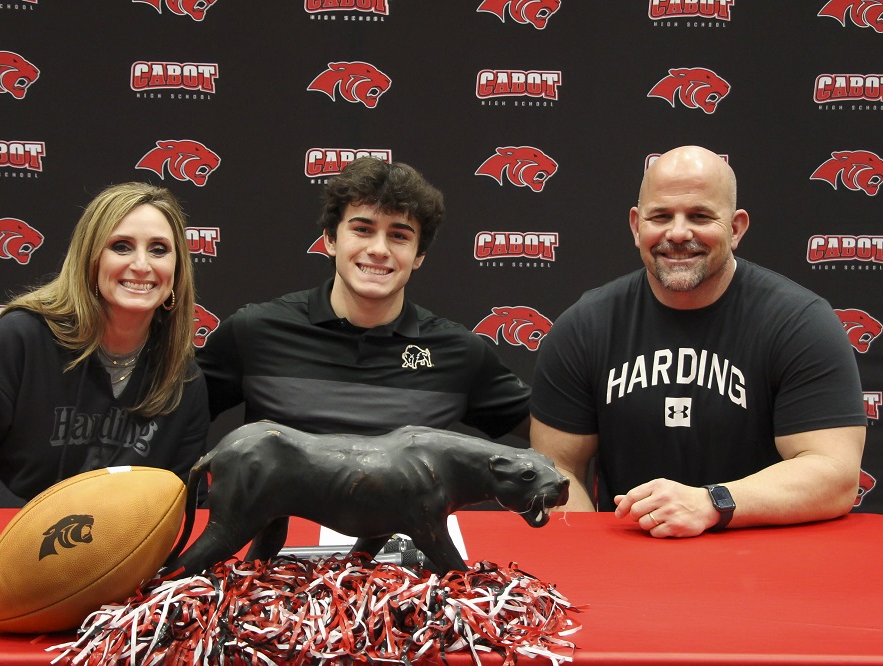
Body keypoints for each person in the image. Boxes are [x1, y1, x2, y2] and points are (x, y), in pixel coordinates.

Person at [530, 145, 866, 536]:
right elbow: (555, 472)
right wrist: (596, 557)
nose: (677, 233)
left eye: (700, 216)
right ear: (637, 226)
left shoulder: (798, 322)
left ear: (736, 228)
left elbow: (835, 474)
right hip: (631, 561)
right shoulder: (585, 327)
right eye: (660, 216)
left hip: (764, 561)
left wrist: (712, 503)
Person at [0, 183, 210, 508]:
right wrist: (42, 537)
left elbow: (185, 506)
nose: (141, 264)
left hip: (106, 556)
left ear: (177, 269)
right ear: (89, 259)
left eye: (159, 249)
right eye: (121, 246)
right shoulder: (21, 338)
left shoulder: (183, 380)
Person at [198, 157, 530, 438]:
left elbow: (555, 432)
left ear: (419, 256)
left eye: (399, 235)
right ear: (330, 239)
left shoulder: (459, 353)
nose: (378, 250)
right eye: (363, 229)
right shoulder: (254, 332)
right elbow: (169, 421)